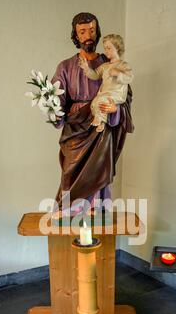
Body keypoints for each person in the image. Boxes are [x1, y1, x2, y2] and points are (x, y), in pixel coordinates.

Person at [51, 12, 134, 219]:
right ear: (76, 35)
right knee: (71, 169)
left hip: (102, 126)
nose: (88, 35)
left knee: (99, 171)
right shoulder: (65, 66)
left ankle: (96, 211)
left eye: (91, 30)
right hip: (76, 127)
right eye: (82, 31)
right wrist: (52, 110)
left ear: (97, 33)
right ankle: (69, 210)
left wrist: (116, 111)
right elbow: (56, 97)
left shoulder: (111, 63)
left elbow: (125, 96)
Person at [79, 34, 133, 132]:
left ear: (117, 48)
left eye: (109, 48)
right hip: (104, 93)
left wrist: (118, 73)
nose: (106, 51)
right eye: (105, 48)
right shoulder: (105, 66)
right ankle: (102, 122)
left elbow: (129, 77)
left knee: (103, 101)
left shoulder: (123, 65)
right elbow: (95, 75)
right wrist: (86, 68)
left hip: (116, 94)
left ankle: (100, 119)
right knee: (95, 103)